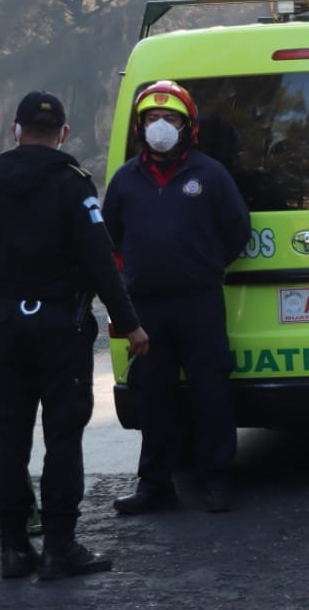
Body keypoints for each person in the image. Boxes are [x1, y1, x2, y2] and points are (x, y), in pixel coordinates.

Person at [0, 90, 149, 581]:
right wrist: (129, 324)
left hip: (5, 328)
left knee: (11, 436)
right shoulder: (73, 184)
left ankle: (14, 549)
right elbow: (100, 263)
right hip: (61, 329)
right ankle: (60, 547)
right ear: (63, 133)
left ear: (15, 130)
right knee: (63, 437)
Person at [104, 80, 250, 515]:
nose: (160, 127)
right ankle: (154, 485)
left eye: (170, 119)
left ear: (188, 127)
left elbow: (237, 231)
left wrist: (204, 266)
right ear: (140, 126)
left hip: (200, 302)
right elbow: (109, 239)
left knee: (210, 393)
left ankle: (218, 481)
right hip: (145, 308)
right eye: (152, 119)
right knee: (154, 398)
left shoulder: (210, 174)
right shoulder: (125, 179)